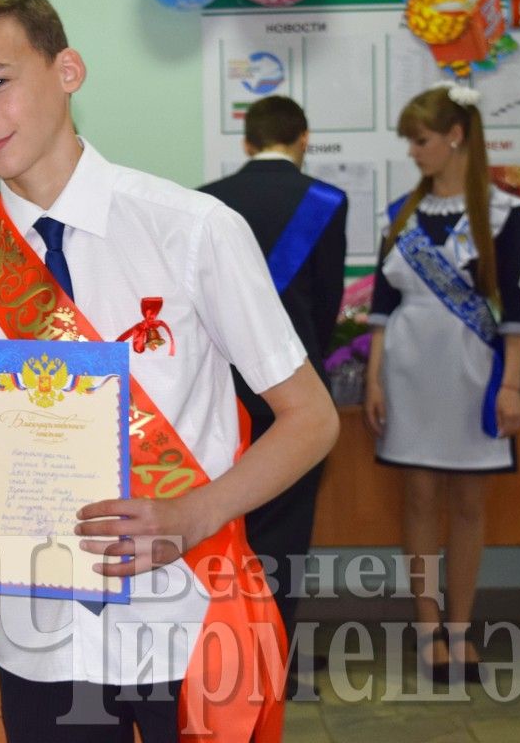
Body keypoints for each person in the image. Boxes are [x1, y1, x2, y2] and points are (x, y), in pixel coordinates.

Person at [0, 0, 339, 743]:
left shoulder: (192, 230)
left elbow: (312, 418)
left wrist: (193, 514)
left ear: (68, 70)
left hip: (188, 623)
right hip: (40, 650)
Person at [362, 83, 520, 684]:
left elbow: (515, 310)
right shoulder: (401, 216)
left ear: (455, 136)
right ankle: (427, 626)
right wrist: (374, 381)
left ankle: (462, 629)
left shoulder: (507, 215)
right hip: (408, 375)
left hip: (474, 376)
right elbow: (381, 308)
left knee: (467, 503)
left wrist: (511, 385)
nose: (413, 151)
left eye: (421, 139)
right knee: (418, 498)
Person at [200, 95, 348, 638]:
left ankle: (220, 644)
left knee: (221, 519)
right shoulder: (326, 200)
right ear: (303, 138)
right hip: (295, 389)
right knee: (285, 531)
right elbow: (327, 299)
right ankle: (273, 650)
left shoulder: (207, 201)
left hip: (222, 392)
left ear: (247, 141)